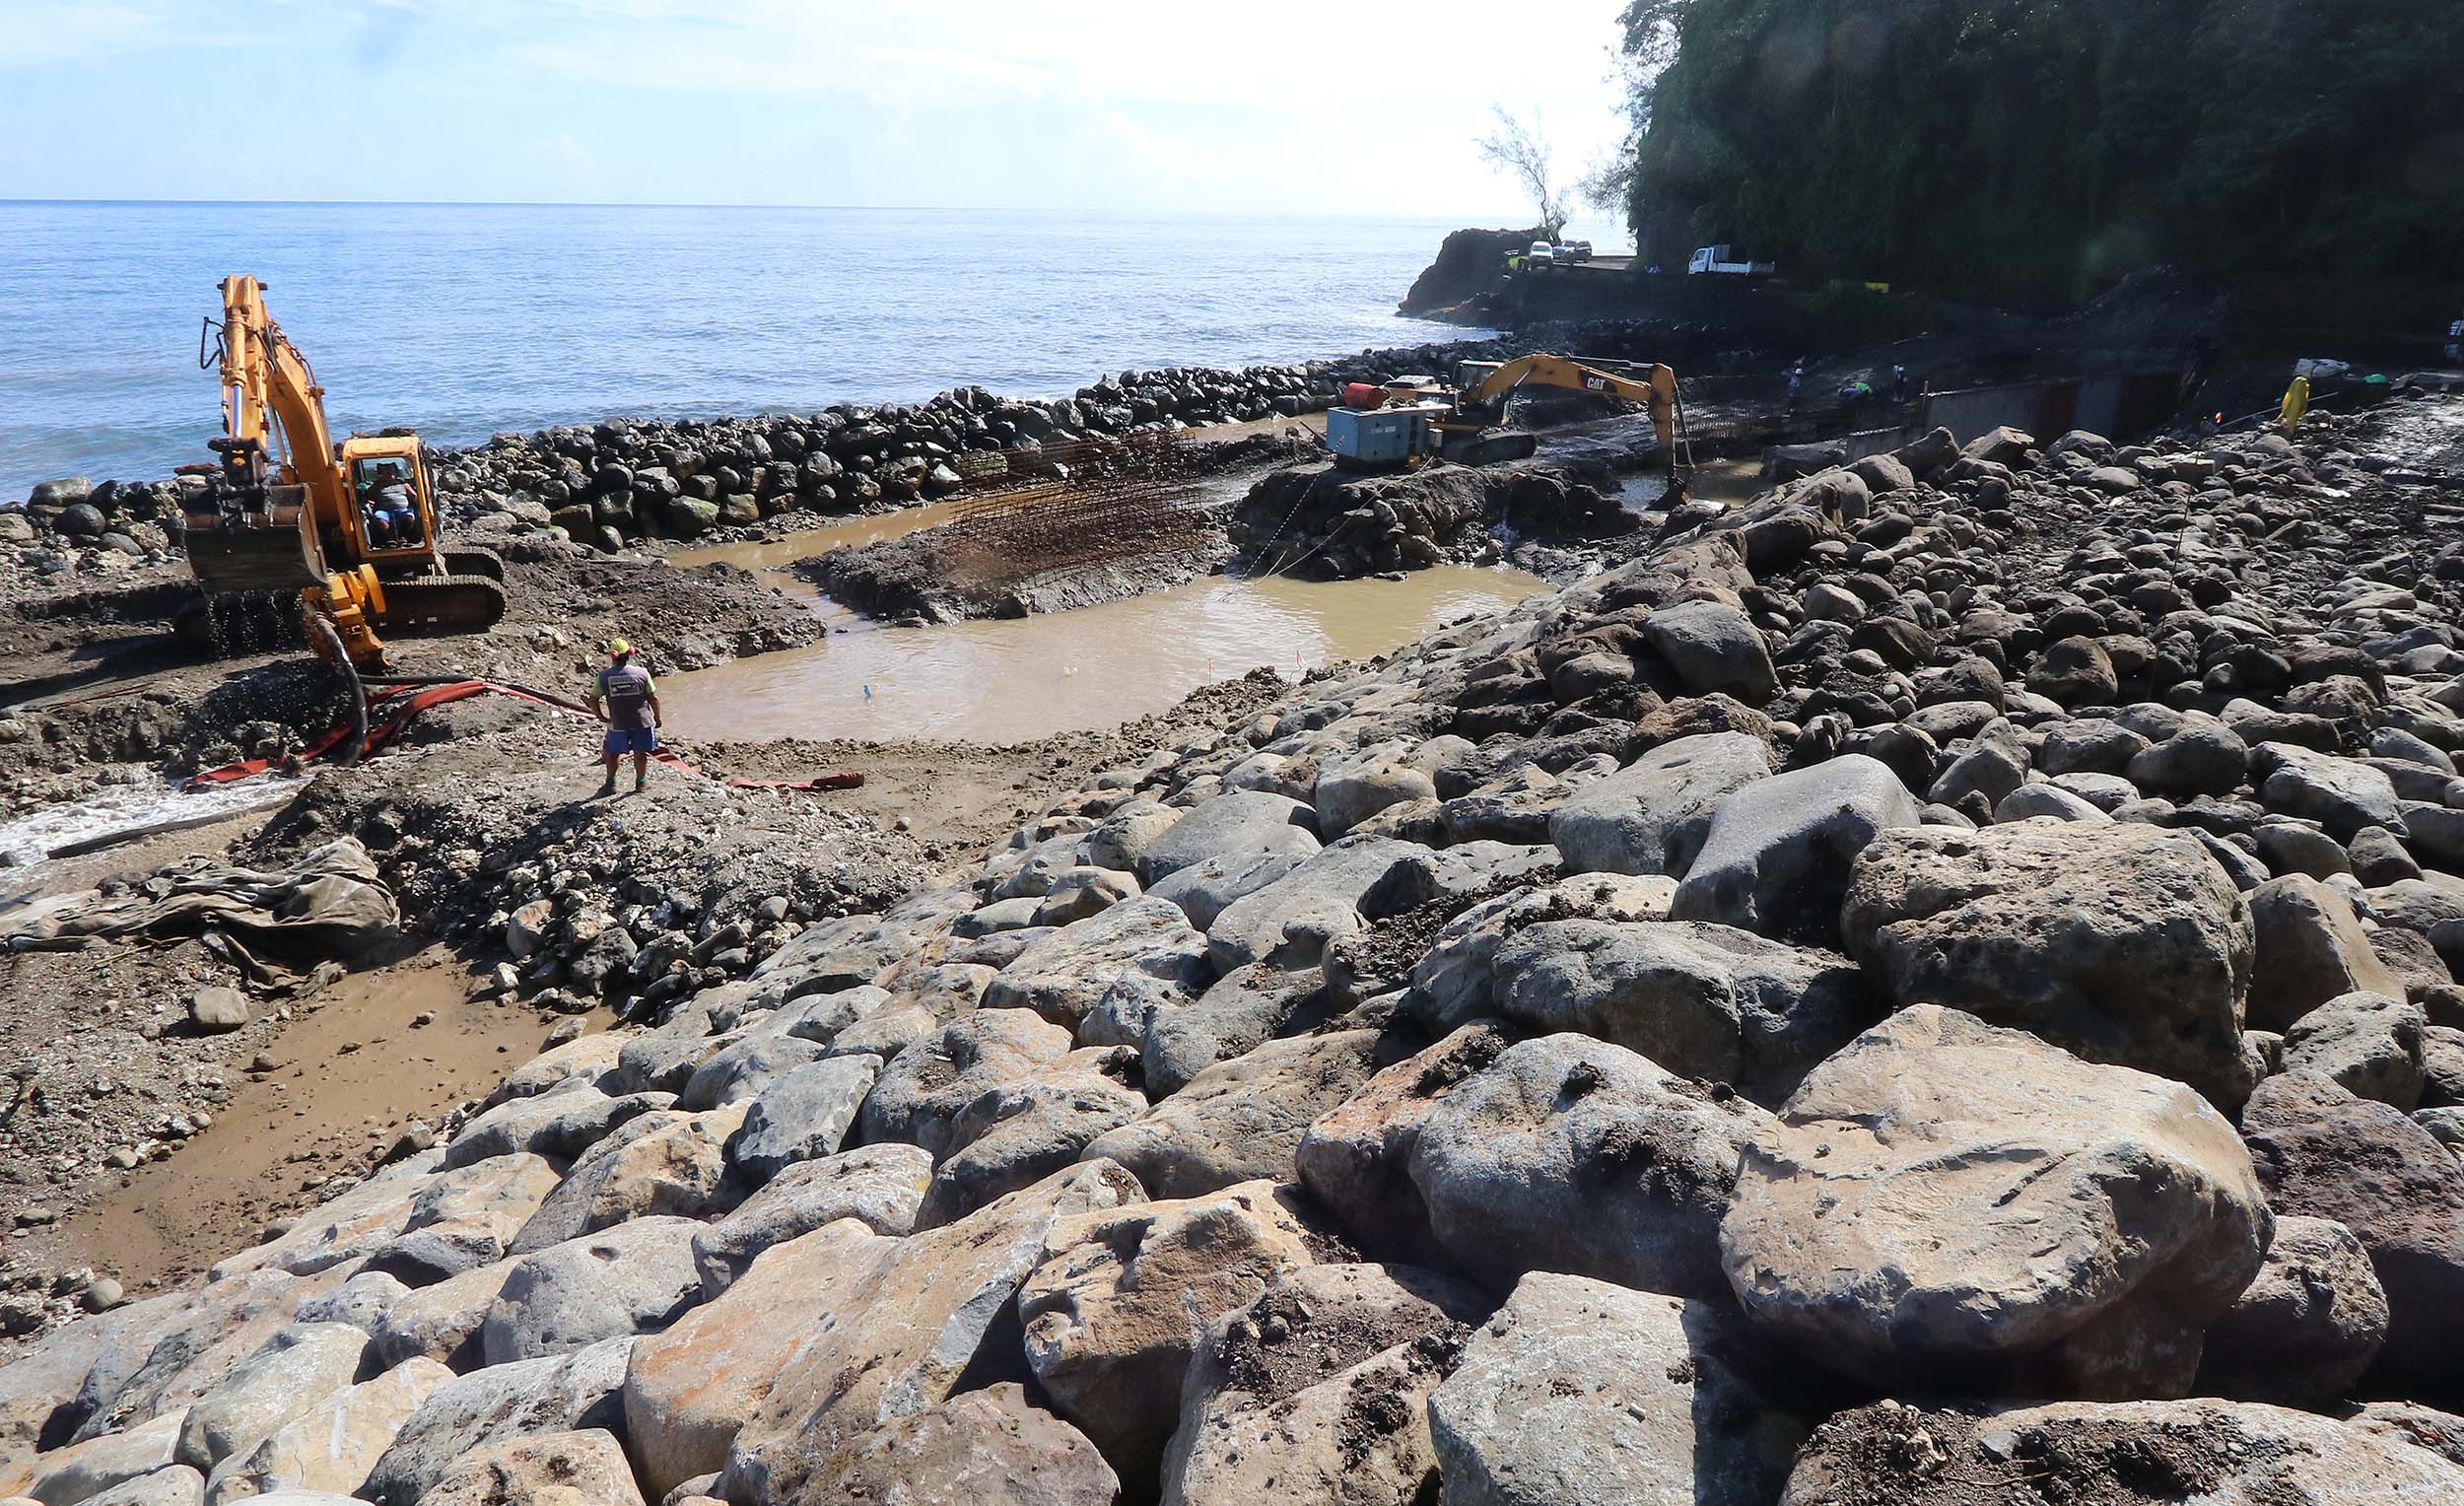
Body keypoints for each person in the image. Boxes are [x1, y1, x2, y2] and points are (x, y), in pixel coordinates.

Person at [588, 638, 662, 796]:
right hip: (642, 721)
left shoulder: (604, 677)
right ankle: (641, 782)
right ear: (629, 654)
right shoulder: (642, 673)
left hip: (617, 722)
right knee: (640, 752)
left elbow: (593, 699)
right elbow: (653, 698)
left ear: (612, 656)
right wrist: (657, 717)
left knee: (613, 752)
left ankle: (610, 784)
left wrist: (600, 716)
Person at [2278, 371, 2312, 435]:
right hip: (2293, 407)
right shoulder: (2299, 387)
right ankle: (2290, 431)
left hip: (2294, 408)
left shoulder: (2301, 386)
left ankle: (2290, 432)